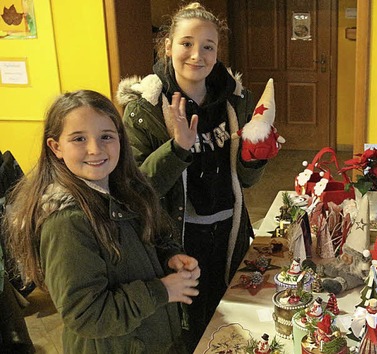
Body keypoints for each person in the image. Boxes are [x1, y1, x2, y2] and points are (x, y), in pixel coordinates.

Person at [116, 2, 270, 350]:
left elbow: (244, 182)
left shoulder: (234, 101)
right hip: (176, 239)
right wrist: (178, 148)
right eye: (186, 43)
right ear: (168, 45)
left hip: (230, 230)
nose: (196, 55)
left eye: (208, 46)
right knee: (186, 329)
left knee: (229, 317)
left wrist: (257, 155)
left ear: (217, 52)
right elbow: (137, 191)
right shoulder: (145, 110)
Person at [3, 90, 200, 353]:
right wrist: (161, 291)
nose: (95, 149)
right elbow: (87, 314)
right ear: (56, 147)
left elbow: (150, 238)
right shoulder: (67, 222)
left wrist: (169, 257)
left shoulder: (119, 191)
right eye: (79, 139)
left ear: (121, 139)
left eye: (106, 136)